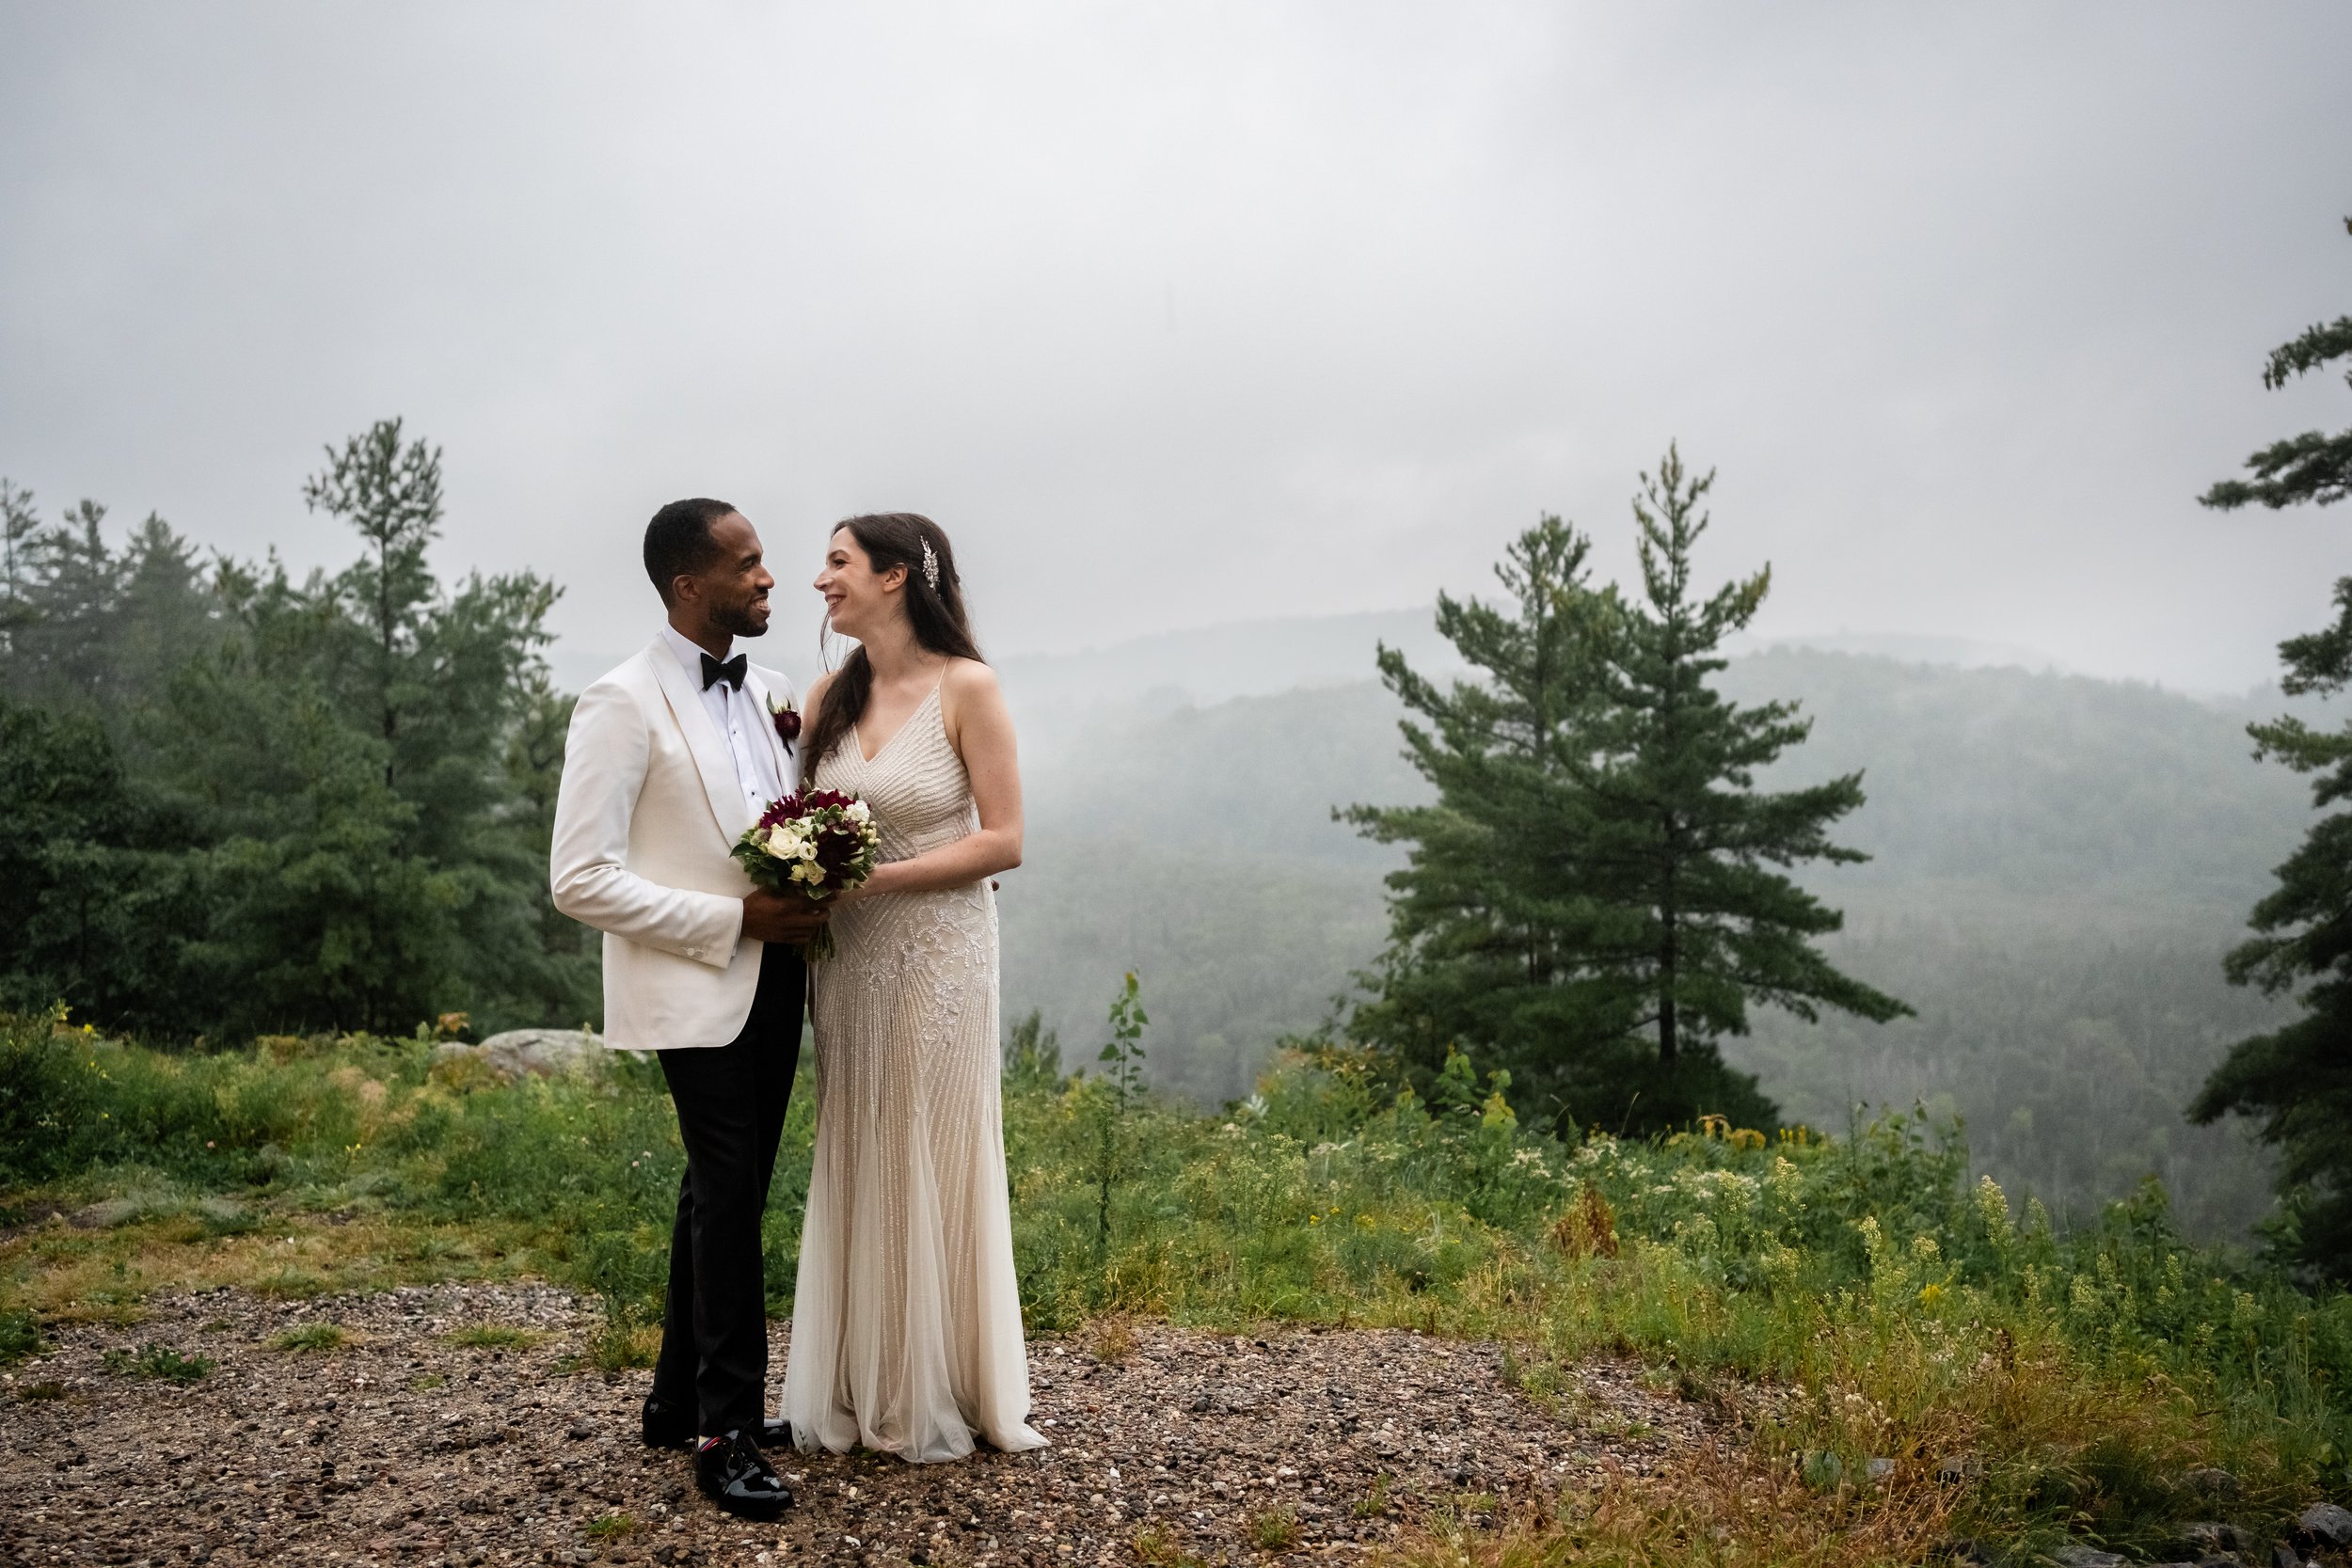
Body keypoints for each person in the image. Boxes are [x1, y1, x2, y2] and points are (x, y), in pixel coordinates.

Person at [549, 498, 824, 1519]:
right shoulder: (618, 701)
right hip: (693, 979)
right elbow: (578, 877)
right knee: (726, 1189)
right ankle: (726, 1428)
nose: (768, 579)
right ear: (686, 585)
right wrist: (732, 918)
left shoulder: (775, 689)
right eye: (748, 564)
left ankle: (675, 1398)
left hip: (778, 976)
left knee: (729, 1187)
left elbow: (781, 818)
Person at [780, 512, 1045, 1462]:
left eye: (838, 562)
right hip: (846, 965)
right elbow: (789, 812)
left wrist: (874, 879)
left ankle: (944, 1383)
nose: (820, 579)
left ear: (895, 576)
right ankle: (860, 1382)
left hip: (939, 953)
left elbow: (1003, 838)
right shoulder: (826, 697)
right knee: (860, 1137)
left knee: (927, 1142)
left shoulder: (966, 687)